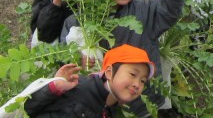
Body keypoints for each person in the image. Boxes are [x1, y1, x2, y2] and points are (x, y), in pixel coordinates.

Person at [61, 0, 187, 115]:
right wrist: (78, 59)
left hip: (140, 100)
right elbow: (64, 54)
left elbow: (168, 11)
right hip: (98, 102)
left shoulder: (145, 11)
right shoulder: (79, 20)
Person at [24, 44, 155, 117]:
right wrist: (55, 86)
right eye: (133, 74)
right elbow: (28, 107)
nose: (137, 84)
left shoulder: (109, 106)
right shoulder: (78, 89)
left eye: (143, 81)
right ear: (109, 72)